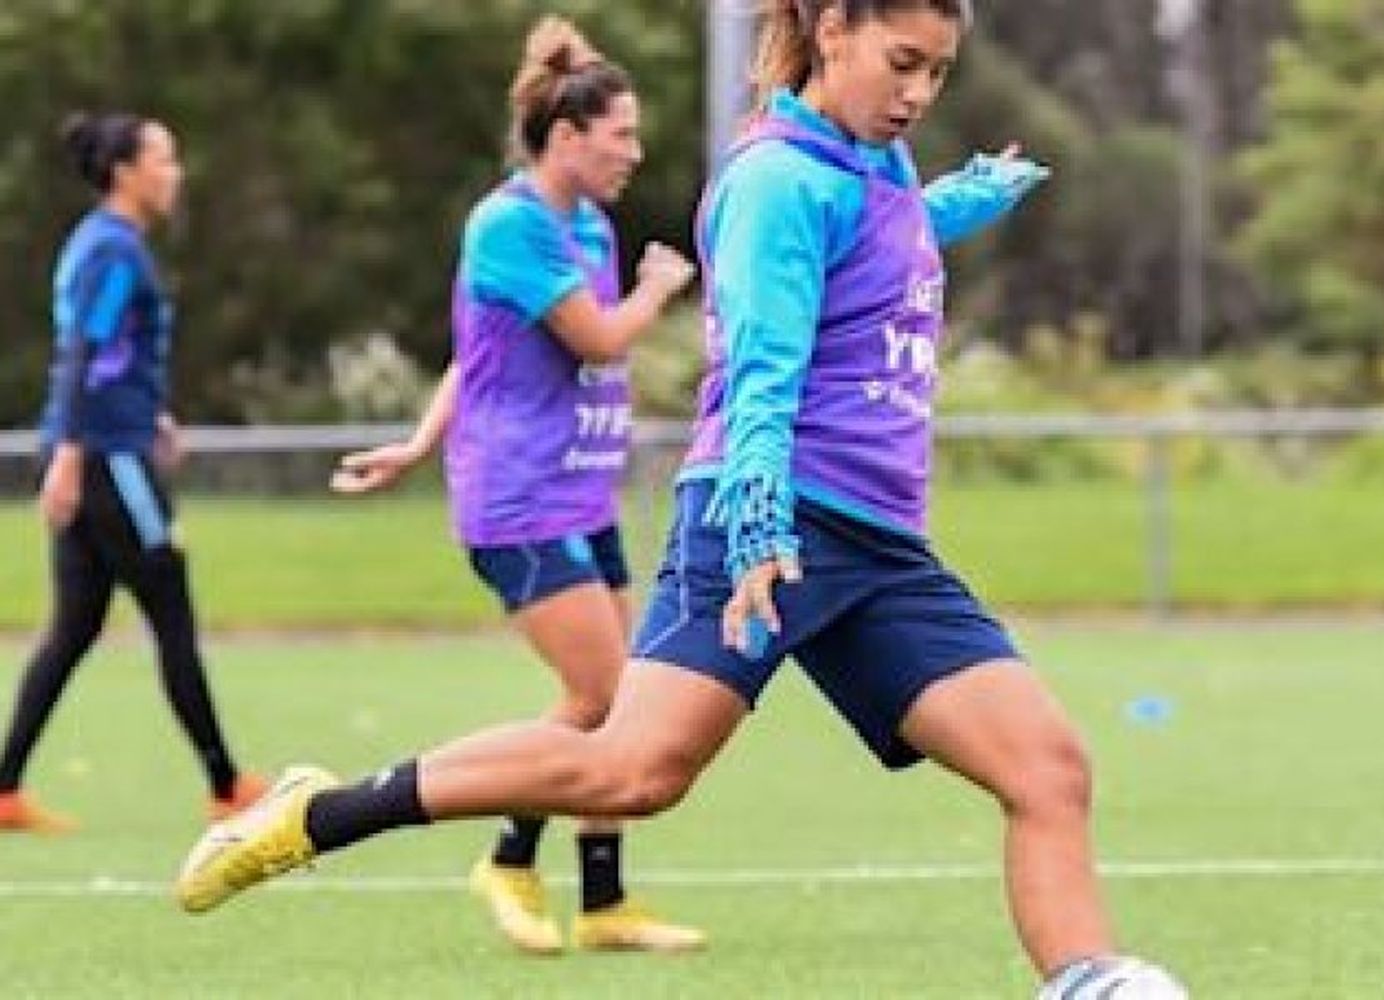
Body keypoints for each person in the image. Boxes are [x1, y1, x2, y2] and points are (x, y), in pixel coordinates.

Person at [176, 2, 1185, 994]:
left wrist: (965, 198)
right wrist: (755, 515)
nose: (918, 93)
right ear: (832, 28)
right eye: (903, 61)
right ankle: (323, 814)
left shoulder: (873, 161)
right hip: (767, 516)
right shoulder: (774, 178)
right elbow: (761, 361)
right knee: (631, 771)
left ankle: (1088, 982)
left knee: (1048, 770)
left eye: (939, 73)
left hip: (877, 546)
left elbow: (875, 241)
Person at [326, 17, 702, 954]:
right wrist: (659, 288)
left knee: (616, 703)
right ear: (568, 136)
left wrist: (415, 442)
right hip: (519, 501)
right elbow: (602, 339)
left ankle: (606, 904)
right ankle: (506, 861)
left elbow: (478, 355)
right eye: (621, 133)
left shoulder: (586, 224)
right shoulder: (510, 224)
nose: (635, 151)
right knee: (608, 698)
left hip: (582, 495)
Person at [0, 112, 265, 834]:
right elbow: (88, 352)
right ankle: (225, 783)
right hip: (106, 459)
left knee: (75, 626)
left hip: (107, 441)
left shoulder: (99, 243)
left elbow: (110, 357)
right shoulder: (116, 252)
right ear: (126, 172)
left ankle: (4, 790)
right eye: (165, 159)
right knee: (170, 605)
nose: (175, 174)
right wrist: (74, 455)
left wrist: (151, 415)